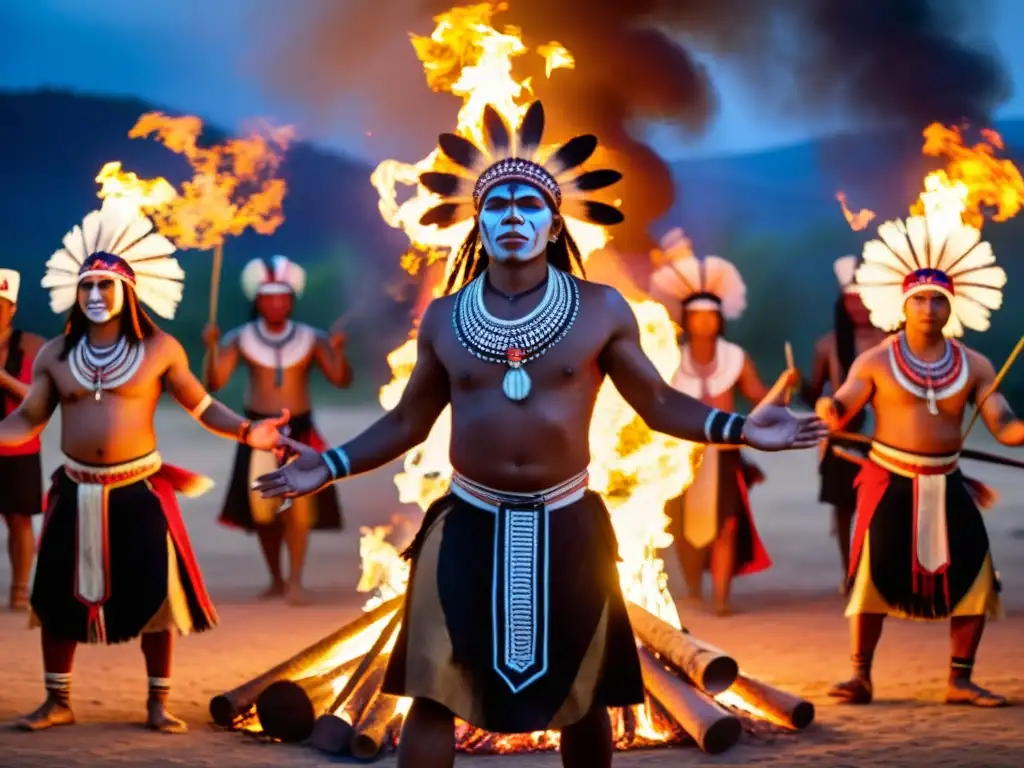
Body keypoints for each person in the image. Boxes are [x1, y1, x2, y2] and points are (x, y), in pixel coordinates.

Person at [254, 101, 826, 768]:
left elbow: (658, 403)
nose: (514, 217)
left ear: (555, 221)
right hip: (465, 526)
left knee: (583, 699)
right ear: (477, 219)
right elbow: (410, 422)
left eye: (530, 204)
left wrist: (740, 428)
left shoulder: (600, 310)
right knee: (435, 693)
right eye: (497, 206)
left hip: (570, 526)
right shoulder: (444, 319)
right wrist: (326, 466)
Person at [1, 201, 286, 733]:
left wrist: (251, 430)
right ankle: (56, 700)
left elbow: (204, 407)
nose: (94, 296)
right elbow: (27, 421)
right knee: (57, 596)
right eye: (86, 287)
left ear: (127, 293)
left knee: (156, 593)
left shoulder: (160, 350)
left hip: (139, 489)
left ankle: (158, 703)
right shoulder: (57, 356)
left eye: (105, 287)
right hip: (74, 488)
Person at [817, 214, 1021, 707]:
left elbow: (1005, 424)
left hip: (948, 483)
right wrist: (829, 410)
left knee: (975, 575)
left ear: (952, 307)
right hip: (890, 481)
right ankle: (860, 676)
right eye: (920, 299)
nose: (929, 307)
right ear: (901, 305)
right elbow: (842, 406)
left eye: (938, 299)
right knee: (872, 575)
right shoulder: (875, 362)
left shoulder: (975, 365)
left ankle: (961, 680)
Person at [204, 255, 350, 605]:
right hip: (257, 432)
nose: (275, 302)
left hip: (300, 432)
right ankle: (276, 579)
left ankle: (295, 582)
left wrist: (338, 351)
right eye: (268, 296)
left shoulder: (311, 338)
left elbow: (342, 380)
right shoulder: (240, 339)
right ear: (257, 300)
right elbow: (215, 381)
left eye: (282, 296)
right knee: (263, 511)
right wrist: (211, 346)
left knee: (300, 510)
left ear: (291, 299)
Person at [649, 230, 773, 616]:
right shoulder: (670, 355)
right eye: (696, 315)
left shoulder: (736, 357)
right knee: (685, 530)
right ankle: (697, 592)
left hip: (724, 455)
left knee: (726, 527)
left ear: (719, 319)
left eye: (710, 315)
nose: (703, 322)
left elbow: (758, 397)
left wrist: (783, 391)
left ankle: (720, 599)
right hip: (681, 456)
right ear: (686, 318)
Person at [799, 256, 888, 588]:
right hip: (842, 439)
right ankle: (849, 572)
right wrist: (799, 385)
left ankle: (876, 573)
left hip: (885, 436)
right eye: (851, 301)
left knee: (882, 509)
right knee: (843, 506)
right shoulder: (828, 345)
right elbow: (816, 395)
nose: (858, 308)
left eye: (863, 300)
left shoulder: (891, 342)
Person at [0, 269, 46, 611]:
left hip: (19, 446)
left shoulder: (31, 345)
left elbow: (39, 398)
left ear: (12, 307)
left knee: (19, 518)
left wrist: (2, 378)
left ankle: (19, 588)